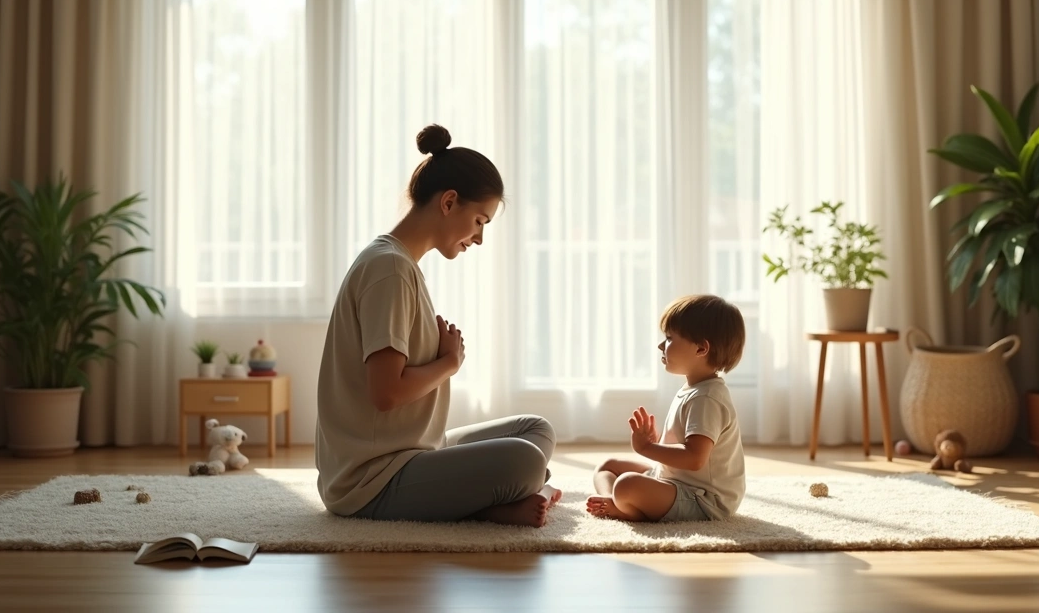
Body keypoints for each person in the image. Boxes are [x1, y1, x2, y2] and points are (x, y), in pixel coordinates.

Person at [316, 123, 560, 527]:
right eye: (480, 220)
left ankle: (489, 500)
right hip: (373, 481)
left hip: (414, 453)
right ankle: (493, 502)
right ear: (449, 202)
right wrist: (450, 362)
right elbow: (386, 392)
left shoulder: (398, 264)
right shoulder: (389, 270)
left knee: (535, 430)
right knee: (526, 460)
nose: (479, 238)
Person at [587, 294, 746, 522]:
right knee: (608, 466)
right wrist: (659, 441)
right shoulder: (695, 389)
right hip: (675, 481)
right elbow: (687, 444)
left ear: (701, 349)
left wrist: (646, 448)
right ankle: (612, 502)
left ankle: (627, 508)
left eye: (670, 338)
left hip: (702, 499)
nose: (661, 345)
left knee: (626, 484)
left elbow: (694, 458)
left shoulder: (708, 398)